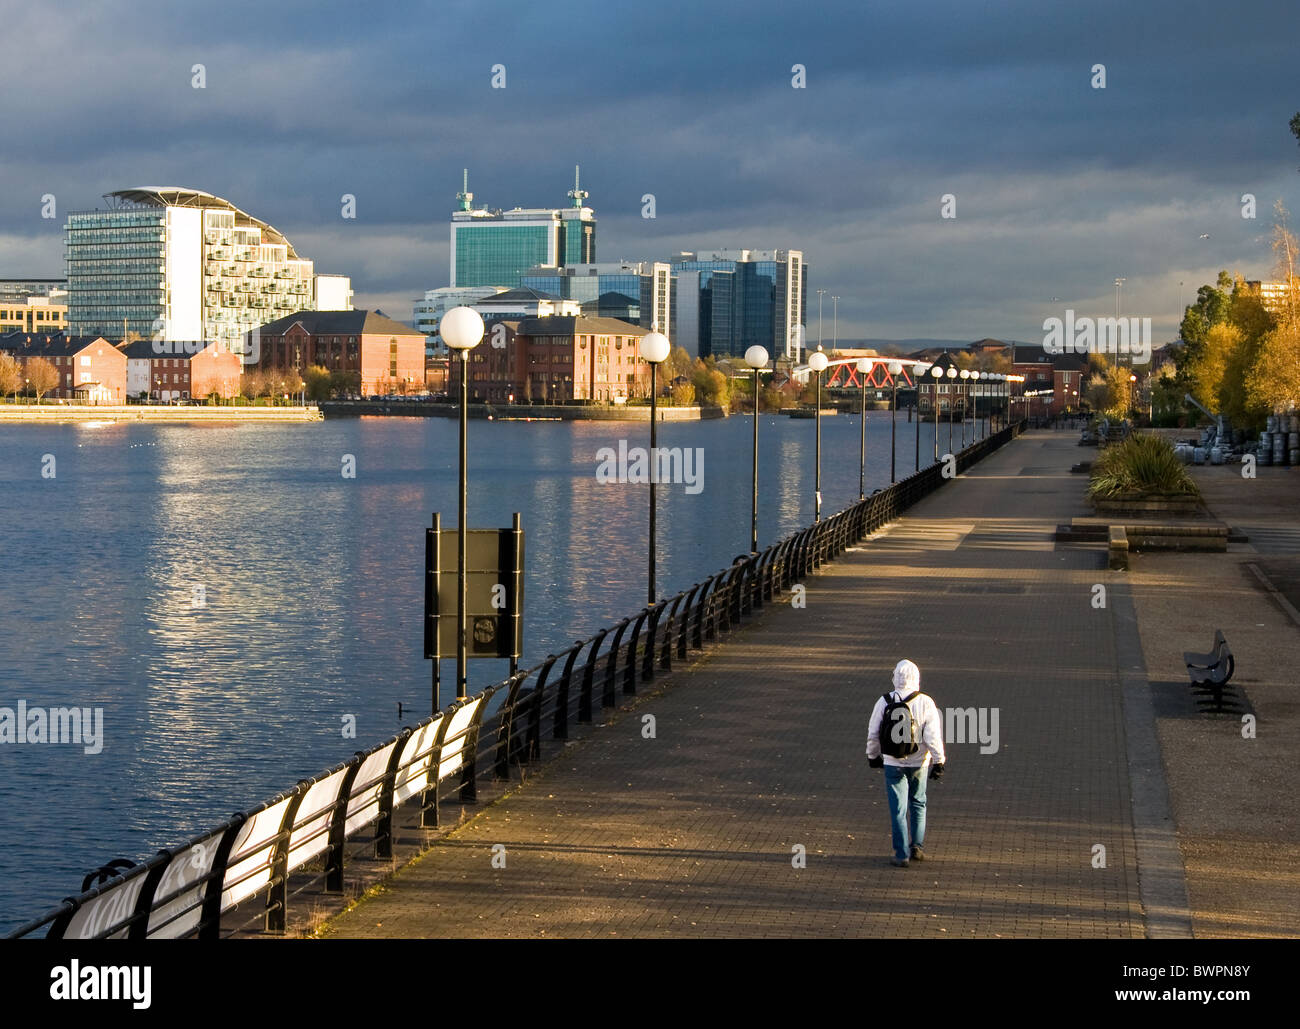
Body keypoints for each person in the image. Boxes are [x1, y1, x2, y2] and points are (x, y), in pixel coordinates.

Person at [866, 659, 946, 867]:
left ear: (895, 677)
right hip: (919, 762)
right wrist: (939, 761)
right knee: (919, 802)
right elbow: (932, 736)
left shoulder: (884, 701)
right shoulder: (926, 702)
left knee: (898, 808)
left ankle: (901, 854)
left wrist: (873, 756)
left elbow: (873, 733)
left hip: (893, 762)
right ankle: (917, 847)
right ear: (917, 678)